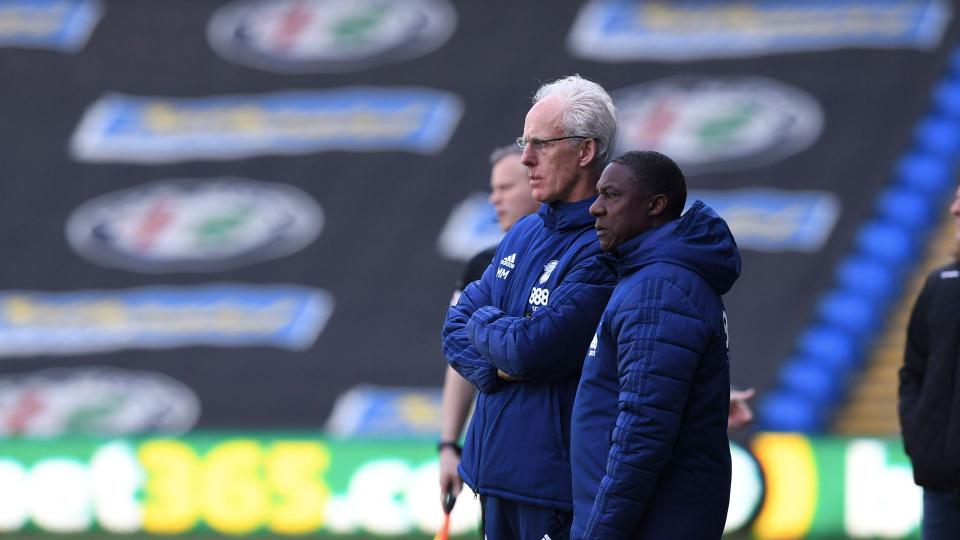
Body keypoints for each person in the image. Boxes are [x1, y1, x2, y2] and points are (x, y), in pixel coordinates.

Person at [441, 74, 618, 539]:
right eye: (525, 142)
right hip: (492, 477)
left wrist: (495, 336)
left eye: (541, 143)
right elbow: (453, 329)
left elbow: (532, 350)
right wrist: (496, 363)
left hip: (553, 490)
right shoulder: (524, 231)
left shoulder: (604, 243)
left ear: (586, 151)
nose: (525, 158)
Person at [570, 150, 741, 539]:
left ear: (655, 205)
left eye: (611, 195)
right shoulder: (652, 278)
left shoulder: (658, 288)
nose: (595, 208)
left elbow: (642, 432)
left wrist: (599, 533)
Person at [438, 144, 539, 504]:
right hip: (498, 453)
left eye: (505, 188)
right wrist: (449, 444)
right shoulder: (482, 264)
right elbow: (459, 358)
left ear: (537, 182)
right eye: (492, 189)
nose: (495, 199)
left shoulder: (585, 252)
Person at [899, 182, 960, 539]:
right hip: (941, 490)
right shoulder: (940, 285)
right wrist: (921, 439)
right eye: (955, 198)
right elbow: (913, 373)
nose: (954, 209)